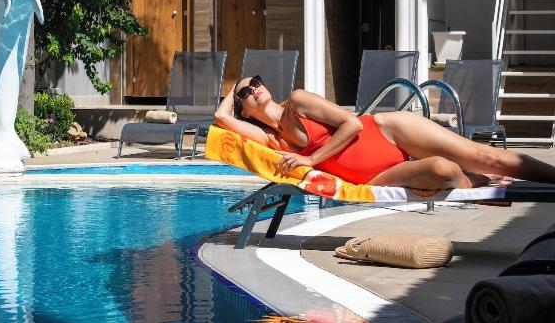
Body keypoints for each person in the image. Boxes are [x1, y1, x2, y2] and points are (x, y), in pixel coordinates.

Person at [213, 75, 555, 190]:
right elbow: (220, 117)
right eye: (246, 92)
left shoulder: (298, 101)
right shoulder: (273, 140)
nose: (254, 88)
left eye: (256, 81)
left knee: (485, 156)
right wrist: (231, 93)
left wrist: (311, 159)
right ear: (245, 110)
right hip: (375, 176)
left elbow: (353, 124)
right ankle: (478, 181)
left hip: (388, 132)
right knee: (444, 171)